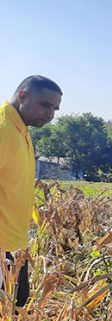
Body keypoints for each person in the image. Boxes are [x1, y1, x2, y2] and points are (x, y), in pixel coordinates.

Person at [0, 75, 62, 307]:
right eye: (45, 105)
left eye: (55, 109)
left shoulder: (20, 130)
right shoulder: (4, 129)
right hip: (2, 243)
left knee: (16, 303)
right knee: (8, 311)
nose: (50, 114)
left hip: (13, 242)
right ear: (23, 95)